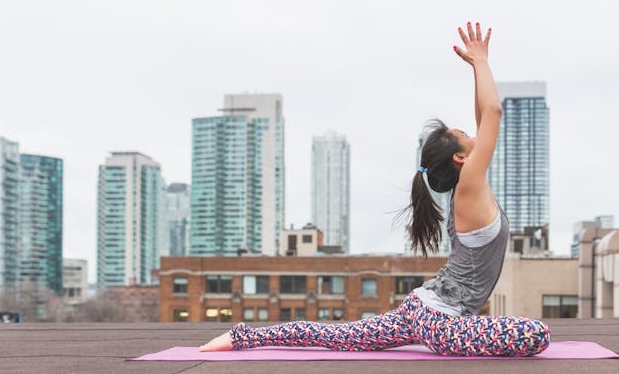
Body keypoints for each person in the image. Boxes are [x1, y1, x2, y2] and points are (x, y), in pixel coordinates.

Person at [200, 22, 550, 357]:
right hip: (443, 321)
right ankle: (243, 336)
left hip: (424, 308)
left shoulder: (471, 189)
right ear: (461, 158)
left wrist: (476, 67)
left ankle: (241, 336)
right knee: (537, 334)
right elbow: (492, 111)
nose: (476, 134)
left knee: (339, 336)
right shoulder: (469, 189)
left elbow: (483, 116)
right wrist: (482, 61)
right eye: (466, 135)